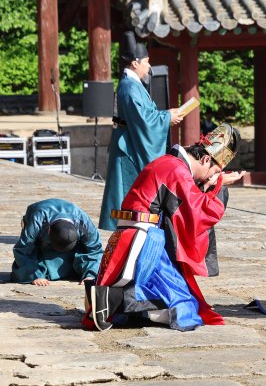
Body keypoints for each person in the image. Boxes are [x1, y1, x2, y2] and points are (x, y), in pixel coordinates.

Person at [84, 124, 244, 332]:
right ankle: (111, 300)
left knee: (181, 301)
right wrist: (218, 186)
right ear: (205, 159)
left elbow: (182, 201)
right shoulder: (177, 170)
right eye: (213, 171)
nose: (208, 177)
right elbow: (197, 213)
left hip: (135, 234)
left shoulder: (168, 163)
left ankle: (108, 300)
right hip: (146, 242)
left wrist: (210, 183)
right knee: (186, 307)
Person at [99, 31, 184, 231]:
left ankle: (134, 226)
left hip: (132, 141)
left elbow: (144, 115)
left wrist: (165, 116)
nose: (149, 66)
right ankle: (129, 228)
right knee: (127, 190)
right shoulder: (129, 87)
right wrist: (166, 118)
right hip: (129, 147)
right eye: (146, 61)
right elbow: (143, 119)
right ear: (135, 63)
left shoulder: (133, 85)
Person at [11, 199, 103, 285]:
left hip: (73, 242)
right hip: (43, 231)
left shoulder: (85, 224)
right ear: (49, 231)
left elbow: (95, 250)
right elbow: (23, 249)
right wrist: (35, 276)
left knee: (86, 257)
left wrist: (90, 275)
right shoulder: (37, 220)